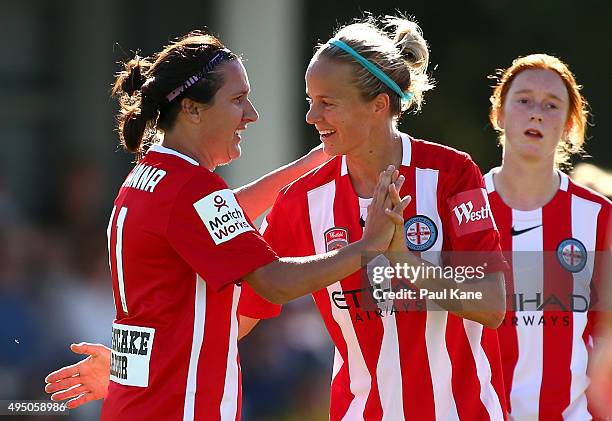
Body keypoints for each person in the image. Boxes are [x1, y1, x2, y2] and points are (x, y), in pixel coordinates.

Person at [46, 16, 508, 420]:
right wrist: (369, 249)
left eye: (327, 102)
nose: (310, 115)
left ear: (378, 105)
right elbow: (245, 308)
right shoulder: (298, 199)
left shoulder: (450, 173)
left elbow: (492, 304)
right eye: (310, 99)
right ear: (191, 108)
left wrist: (405, 264)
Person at [484, 54, 611, 420]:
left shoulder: (599, 217)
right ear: (499, 114)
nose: (536, 113)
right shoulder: (462, 208)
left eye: (551, 105)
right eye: (523, 100)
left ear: (569, 125)